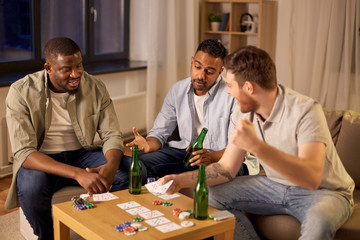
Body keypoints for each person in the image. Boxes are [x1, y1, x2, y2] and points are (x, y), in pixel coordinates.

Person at [159, 46, 354, 239]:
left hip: (326, 192)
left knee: (319, 224)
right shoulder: (243, 112)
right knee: (211, 193)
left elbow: (311, 178)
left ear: (249, 87)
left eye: (230, 85)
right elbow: (226, 168)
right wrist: (179, 180)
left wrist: (256, 147)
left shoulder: (306, 111)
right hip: (274, 185)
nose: (227, 92)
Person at [5, 37, 129, 240]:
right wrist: (78, 174)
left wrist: (111, 166)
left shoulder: (95, 87)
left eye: (79, 66)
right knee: (31, 189)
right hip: (42, 158)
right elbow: (24, 153)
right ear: (49, 68)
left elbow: (112, 135)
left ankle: (106, 231)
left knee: (127, 172)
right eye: (67, 69)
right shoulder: (21, 92)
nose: (76, 74)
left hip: (83, 154)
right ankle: (47, 236)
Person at [125, 39, 258, 180]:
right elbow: (159, 133)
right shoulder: (177, 90)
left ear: (220, 71)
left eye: (210, 71)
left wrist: (210, 157)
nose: (201, 76)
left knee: (206, 179)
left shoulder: (233, 95)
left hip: (225, 158)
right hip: (187, 152)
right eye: (197, 67)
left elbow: (236, 148)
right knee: (136, 163)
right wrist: (148, 144)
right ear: (192, 61)